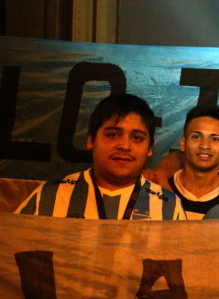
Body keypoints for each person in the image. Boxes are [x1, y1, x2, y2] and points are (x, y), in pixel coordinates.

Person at [15, 93, 184, 220]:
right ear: (90, 140)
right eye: (112, 135)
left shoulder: (168, 206)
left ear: (149, 148)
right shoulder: (49, 195)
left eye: (137, 138)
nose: (124, 146)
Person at [167, 105, 219, 219]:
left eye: (214, 139)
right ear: (183, 143)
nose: (205, 145)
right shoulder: (159, 189)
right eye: (196, 137)